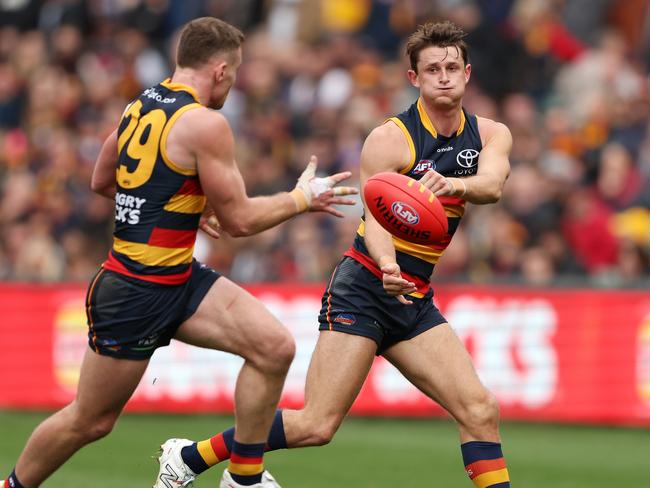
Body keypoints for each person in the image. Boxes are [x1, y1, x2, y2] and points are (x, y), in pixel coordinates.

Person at [1, 17, 358, 488]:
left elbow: (101, 180)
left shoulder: (140, 105)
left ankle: (243, 478)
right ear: (221, 70)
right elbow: (242, 221)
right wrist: (302, 199)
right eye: (235, 71)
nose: (233, 82)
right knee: (89, 421)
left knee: (273, 348)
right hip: (134, 291)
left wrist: (182, 205)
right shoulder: (206, 124)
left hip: (177, 279)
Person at [154, 20, 513, 488]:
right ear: (414, 80)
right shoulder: (391, 139)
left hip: (414, 295)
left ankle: (192, 457)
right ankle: (190, 456)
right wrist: (386, 266)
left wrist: (455, 184)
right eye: (432, 70)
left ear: (468, 73)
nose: (444, 76)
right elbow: (378, 217)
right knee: (317, 425)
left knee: (480, 409)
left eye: (452, 67)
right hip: (365, 286)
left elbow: (493, 185)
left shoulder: (490, 135)